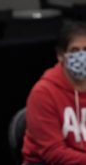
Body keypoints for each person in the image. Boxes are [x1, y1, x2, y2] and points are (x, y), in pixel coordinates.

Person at [22, 20, 86, 165]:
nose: (82, 56)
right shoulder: (43, 92)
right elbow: (53, 154)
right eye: (75, 50)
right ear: (61, 55)